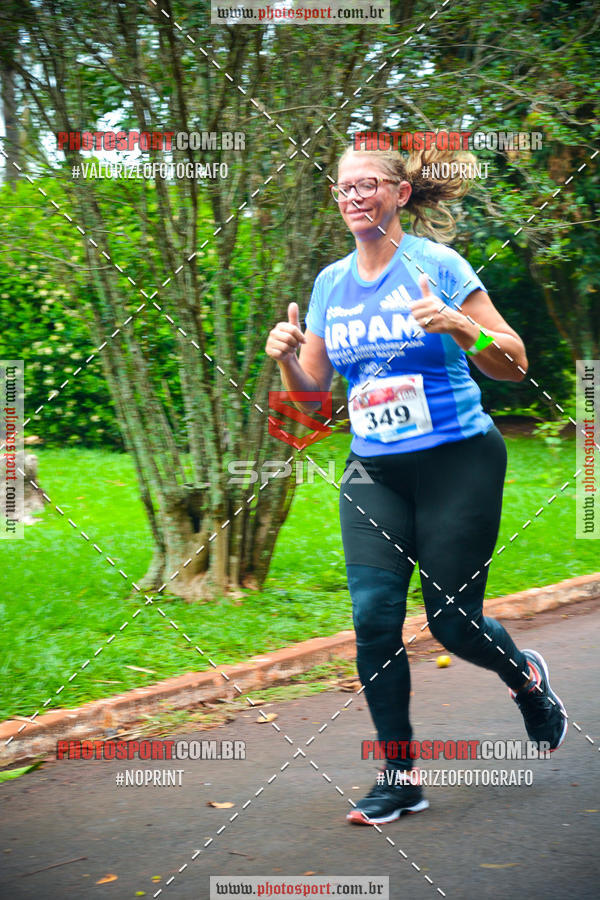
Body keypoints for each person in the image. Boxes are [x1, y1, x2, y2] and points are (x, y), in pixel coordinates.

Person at [265, 145, 568, 826]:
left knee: (452, 624)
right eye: (343, 187)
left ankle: (525, 678)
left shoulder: (440, 266)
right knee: (373, 618)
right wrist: (287, 361)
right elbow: (308, 412)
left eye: (367, 184)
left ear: (399, 194)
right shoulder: (330, 284)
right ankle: (399, 777)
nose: (353, 196)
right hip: (375, 470)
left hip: (459, 461)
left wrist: (462, 326)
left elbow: (516, 365)